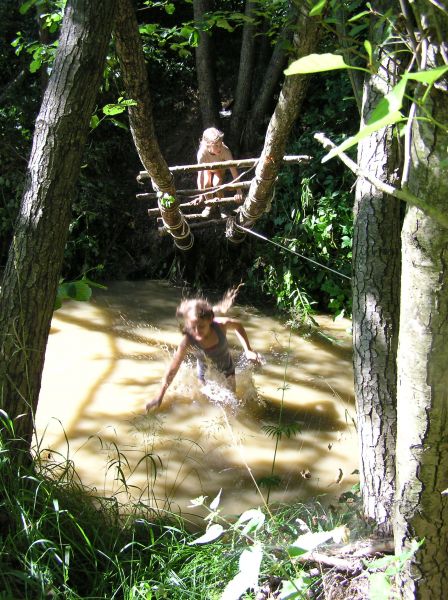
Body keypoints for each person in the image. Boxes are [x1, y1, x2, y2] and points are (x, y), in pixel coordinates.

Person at [146, 287, 261, 411]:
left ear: (210, 320)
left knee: (231, 404)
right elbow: (173, 369)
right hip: (204, 376)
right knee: (206, 406)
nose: (196, 331)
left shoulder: (220, 326)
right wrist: (159, 395)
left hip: (228, 371)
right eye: (192, 327)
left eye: (201, 326)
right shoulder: (188, 341)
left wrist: (248, 349)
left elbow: (238, 326)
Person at [196, 127, 243, 204]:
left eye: (220, 144)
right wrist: (200, 196)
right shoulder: (202, 153)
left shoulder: (225, 151)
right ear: (208, 145)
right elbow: (200, 175)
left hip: (219, 169)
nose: (219, 148)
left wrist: (239, 190)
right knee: (206, 184)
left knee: (217, 184)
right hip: (207, 169)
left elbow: (234, 171)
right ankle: (209, 205)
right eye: (216, 146)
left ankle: (222, 205)